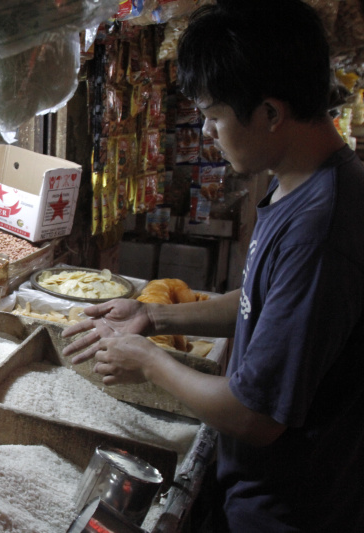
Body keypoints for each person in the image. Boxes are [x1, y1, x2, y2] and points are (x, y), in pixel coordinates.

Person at [61, 0, 364, 531]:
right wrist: (152, 318)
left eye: (215, 115)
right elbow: (258, 307)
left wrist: (148, 361)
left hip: (289, 508)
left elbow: (256, 416)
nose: (206, 131)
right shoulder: (296, 181)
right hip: (260, 486)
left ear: (270, 113)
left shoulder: (322, 225)